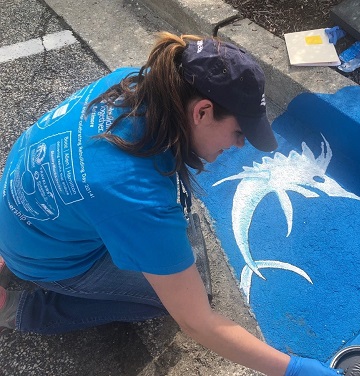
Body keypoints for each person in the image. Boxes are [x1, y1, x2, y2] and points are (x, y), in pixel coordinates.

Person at [0, 32, 342, 375]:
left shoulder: (136, 80)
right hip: (48, 261)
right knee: (177, 298)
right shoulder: (138, 196)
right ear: (203, 112)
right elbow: (197, 323)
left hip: (19, 213)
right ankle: (24, 310)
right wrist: (296, 369)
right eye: (239, 133)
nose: (240, 146)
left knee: (176, 251)